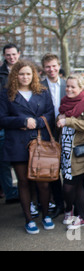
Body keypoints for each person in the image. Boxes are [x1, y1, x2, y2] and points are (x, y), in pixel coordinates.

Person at [0, 60, 55, 234]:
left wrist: (37, 122)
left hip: (40, 143)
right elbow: (2, 118)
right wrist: (22, 121)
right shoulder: (6, 94)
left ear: (34, 75)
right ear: (15, 75)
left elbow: (50, 114)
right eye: (21, 74)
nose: (25, 77)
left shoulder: (43, 92)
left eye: (28, 74)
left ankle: (46, 215)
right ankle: (29, 219)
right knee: (23, 182)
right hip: (17, 143)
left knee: (43, 182)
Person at [56, 74, 84, 229]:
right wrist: (59, 120)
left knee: (69, 185)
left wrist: (68, 121)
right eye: (67, 86)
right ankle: (73, 211)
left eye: (73, 87)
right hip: (65, 147)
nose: (69, 89)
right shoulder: (64, 102)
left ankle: (79, 215)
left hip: (78, 150)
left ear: (81, 88)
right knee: (77, 183)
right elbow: (60, 122)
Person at [40, 53, 66, 218]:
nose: (51, 69)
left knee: (70, 168)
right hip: (47, 131)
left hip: (66, 130)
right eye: (48, 66)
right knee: (53, 169)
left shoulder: (67, 84)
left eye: (54, 66)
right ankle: (58, 203)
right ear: (44, 68)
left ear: (59, 65)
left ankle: (73, 203)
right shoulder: (39, 87)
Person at [0, 44, 20, 205]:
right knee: (4, 162)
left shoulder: (25, 70)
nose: (11, 57)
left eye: (14, 54)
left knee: (22, 161)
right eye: (8, 55)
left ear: (19, 54)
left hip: (21, 121)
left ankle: (25, 190)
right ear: (4, 56)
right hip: (5, 121)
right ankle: (10, 192)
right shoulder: (1, 74)